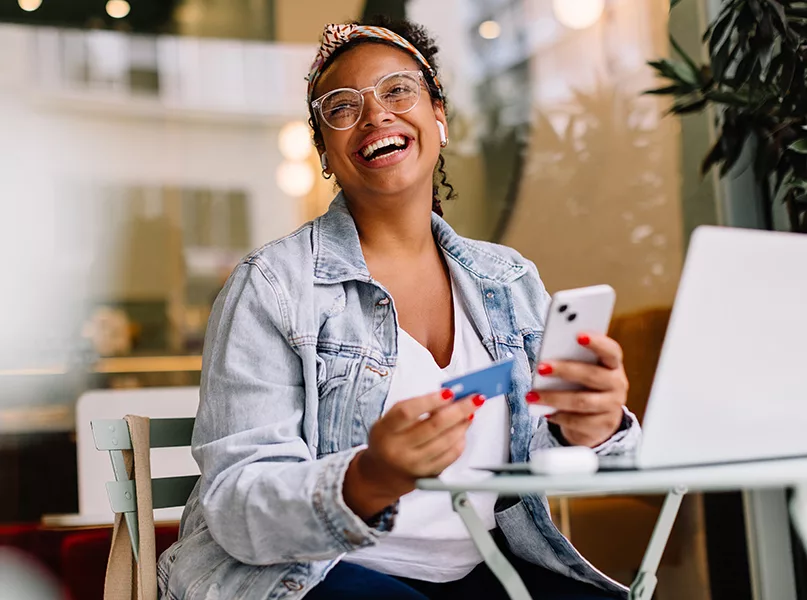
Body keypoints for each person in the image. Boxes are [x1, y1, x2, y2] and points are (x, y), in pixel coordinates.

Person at [157, 16, 641, 600]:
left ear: (438, 117)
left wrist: (590, 429)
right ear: (325, 154)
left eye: (397, 90)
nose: (375, 115)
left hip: (483, 567)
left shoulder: (508, 280)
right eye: (341, 107)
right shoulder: (271, 286)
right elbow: (238, 503)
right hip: (309, 575)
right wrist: (368, 478)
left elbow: (539, 459)